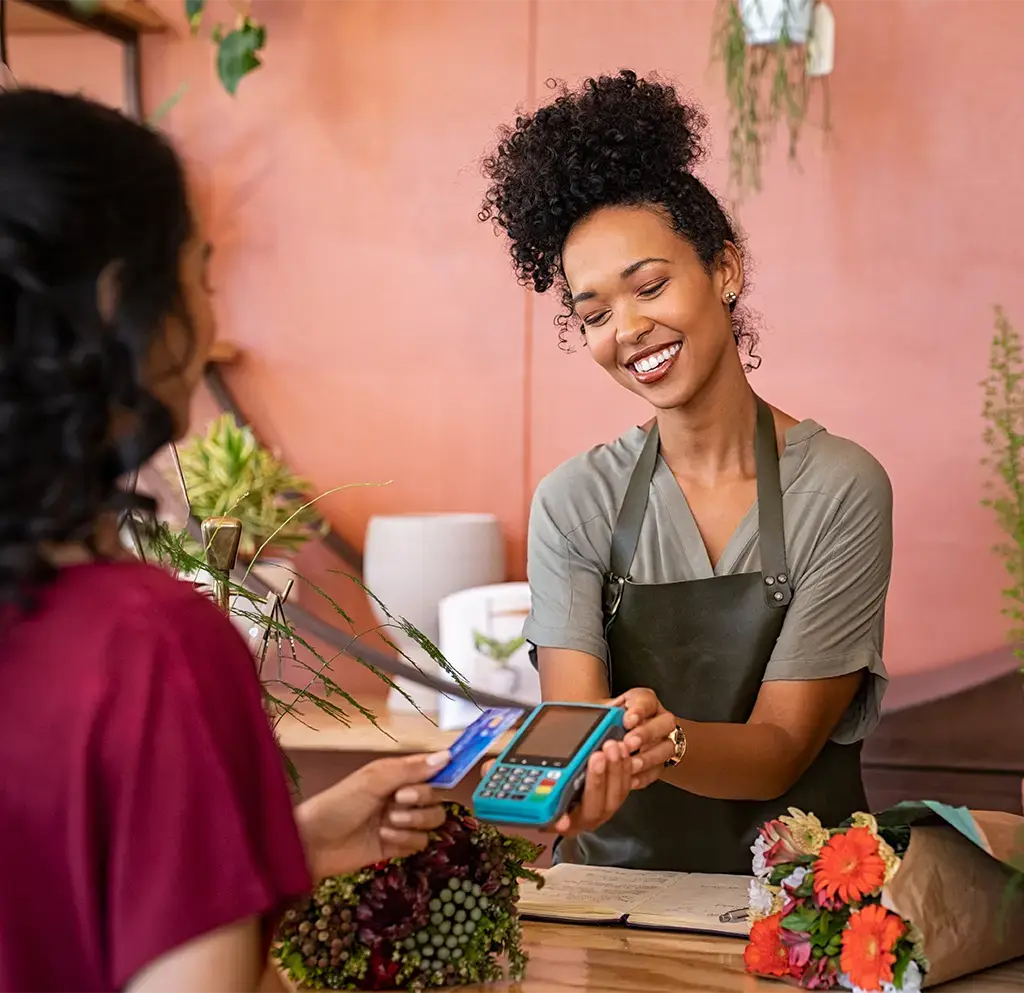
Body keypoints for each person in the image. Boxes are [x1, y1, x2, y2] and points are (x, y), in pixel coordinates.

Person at [0, 89, 450, 993]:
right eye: (201, 276)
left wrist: (287, 842)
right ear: (125, 301)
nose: (208, 320)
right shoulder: (154, 647)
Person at [479, 70, 893, 873]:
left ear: (725, 271)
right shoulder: (574, 502)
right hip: (616, 906)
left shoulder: (841, 487)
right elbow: (573, 727)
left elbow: (781, 747)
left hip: (803, 905)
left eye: (651, 285)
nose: (628, 329)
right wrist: (576, 778)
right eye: (594, 313)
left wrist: (659, 738)